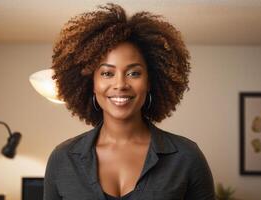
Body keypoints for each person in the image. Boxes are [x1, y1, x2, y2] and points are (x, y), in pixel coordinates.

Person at [44, 3, 215, 200]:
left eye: (134, 73)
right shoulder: (63, 159)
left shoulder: (186, 157)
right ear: (91, 83)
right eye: (107, 73)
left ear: (150, 81)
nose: (120, 84)